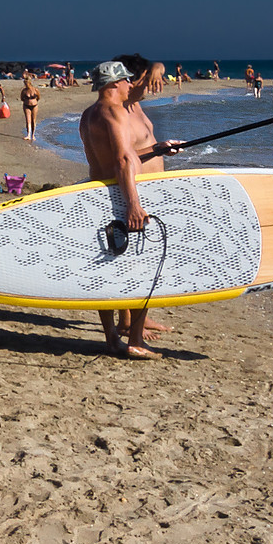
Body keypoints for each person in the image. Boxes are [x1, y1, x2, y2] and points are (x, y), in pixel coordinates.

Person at [78, 57, 168, 360]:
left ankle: (112, 339)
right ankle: (137, 339)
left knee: (106, 269)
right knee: (142, 266)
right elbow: (122, 160)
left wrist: (156, 149)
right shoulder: (114, 111)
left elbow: (118, 155)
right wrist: (133, 204)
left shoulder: (89, 113)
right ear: (115, 83)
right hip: (120, 197)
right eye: (127, 80)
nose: (131, 85)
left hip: (99, 194)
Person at [18, 71, 41, 141]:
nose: (25, 85)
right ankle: (28, 134)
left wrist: (33, 101)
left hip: (34, 105)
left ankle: (33, 135)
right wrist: (27, 101)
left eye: (26, 84)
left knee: (33, 120)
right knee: (28, 120)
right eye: (25, 84)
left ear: (29, 83)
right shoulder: (24, 91)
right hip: (26, 105)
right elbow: (22, 98)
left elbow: (38, 97)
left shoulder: (35, 90)